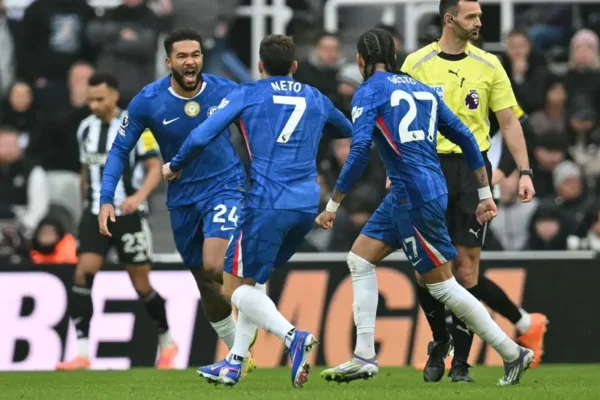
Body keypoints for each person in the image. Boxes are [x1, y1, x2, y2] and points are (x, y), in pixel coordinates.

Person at [317, 27, 534, 386]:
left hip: (415, 195)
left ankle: (512, 352)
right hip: (415, 190)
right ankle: (364, 356)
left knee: (443, 286)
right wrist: (484, 191)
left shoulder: (367, 91)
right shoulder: (421, 89)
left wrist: (333, 202)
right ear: (395, 58)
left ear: (360, 60)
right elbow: (466, 137)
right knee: (359, 259)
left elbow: (357, 152)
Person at [162, 34, 353, 388]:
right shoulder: (314, 96)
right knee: (253, 279)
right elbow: (346, 130)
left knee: (232, 286)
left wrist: (174, 164)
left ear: (260, 65)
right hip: (305, 206)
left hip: (266, 203)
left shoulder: (249, 93)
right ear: (294, 66)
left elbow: (202, 135)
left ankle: (292, 336)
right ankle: (235, 362)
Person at [98, 28, 261, 377]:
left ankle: (263, 319)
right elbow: (119, 150)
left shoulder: (226, 90)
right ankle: (240, 356)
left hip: (225, 187)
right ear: (169, 61)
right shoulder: (148, 100)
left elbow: (258, 131)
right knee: (204, 280)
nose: (191, 62)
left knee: (215, 266)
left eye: (196, 55)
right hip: (183, 198)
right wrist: (106, 197)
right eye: (183, 56)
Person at [400, 0, 544, 382]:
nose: (479, 21)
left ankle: (461, 363)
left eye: (480, 15)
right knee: (426, 270)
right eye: (472, 16)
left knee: (467, 269)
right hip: (426, 167)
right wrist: (394, 169)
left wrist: (525, 172)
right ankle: (439, 341)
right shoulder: (416, 64)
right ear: (450, 19)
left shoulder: (489, 64)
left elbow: (509, 122)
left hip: (472, 171)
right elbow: (397, 120)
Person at [56, 72, 177, 370]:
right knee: (83, 274)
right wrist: (86, 206)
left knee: (141, 284)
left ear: (114, 95)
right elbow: (85, 172)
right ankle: (82, 353)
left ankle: (167, 342)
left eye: (99, 99)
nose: (94, 105)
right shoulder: (85, 128)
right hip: (96, 214)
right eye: (90, 100)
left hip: (129, 214)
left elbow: (155, 168)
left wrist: (138, 197)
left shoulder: (138, 126)